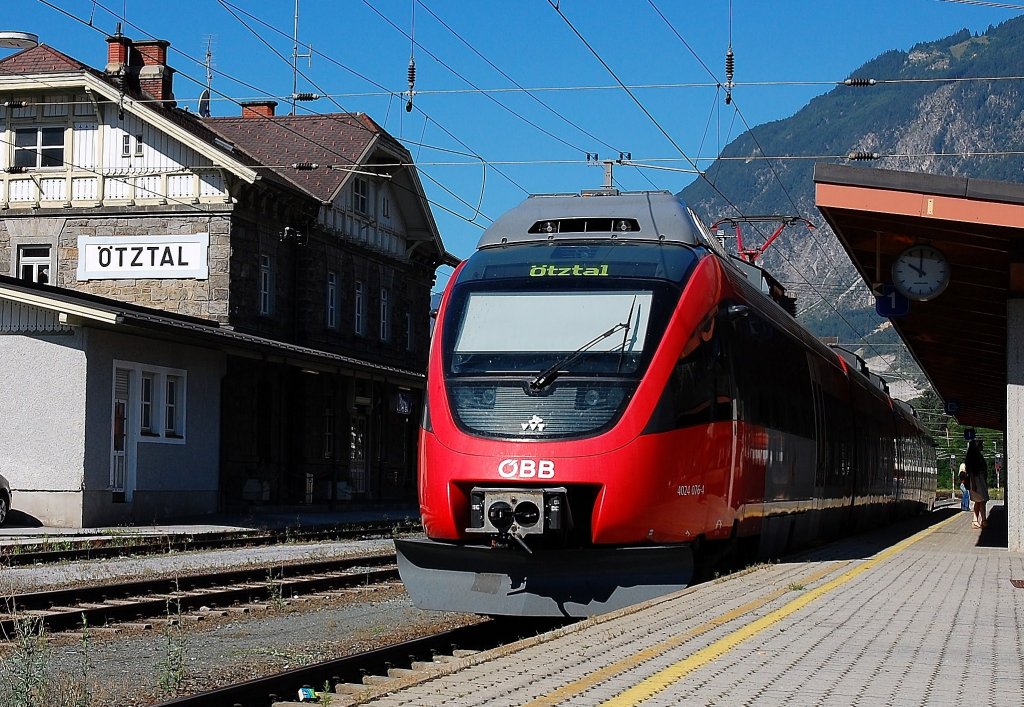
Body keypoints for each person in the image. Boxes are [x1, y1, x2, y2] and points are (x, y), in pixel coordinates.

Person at [965, 440, 989, 529]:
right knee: (982, 500)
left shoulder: (976, 456)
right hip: (977, 480)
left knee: (979, 501)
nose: (982, 446)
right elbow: (971, 472)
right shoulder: (974, 458)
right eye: (980, 445)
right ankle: (983, 520)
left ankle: (976, 521)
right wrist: (974, 484)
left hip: (979, 479)